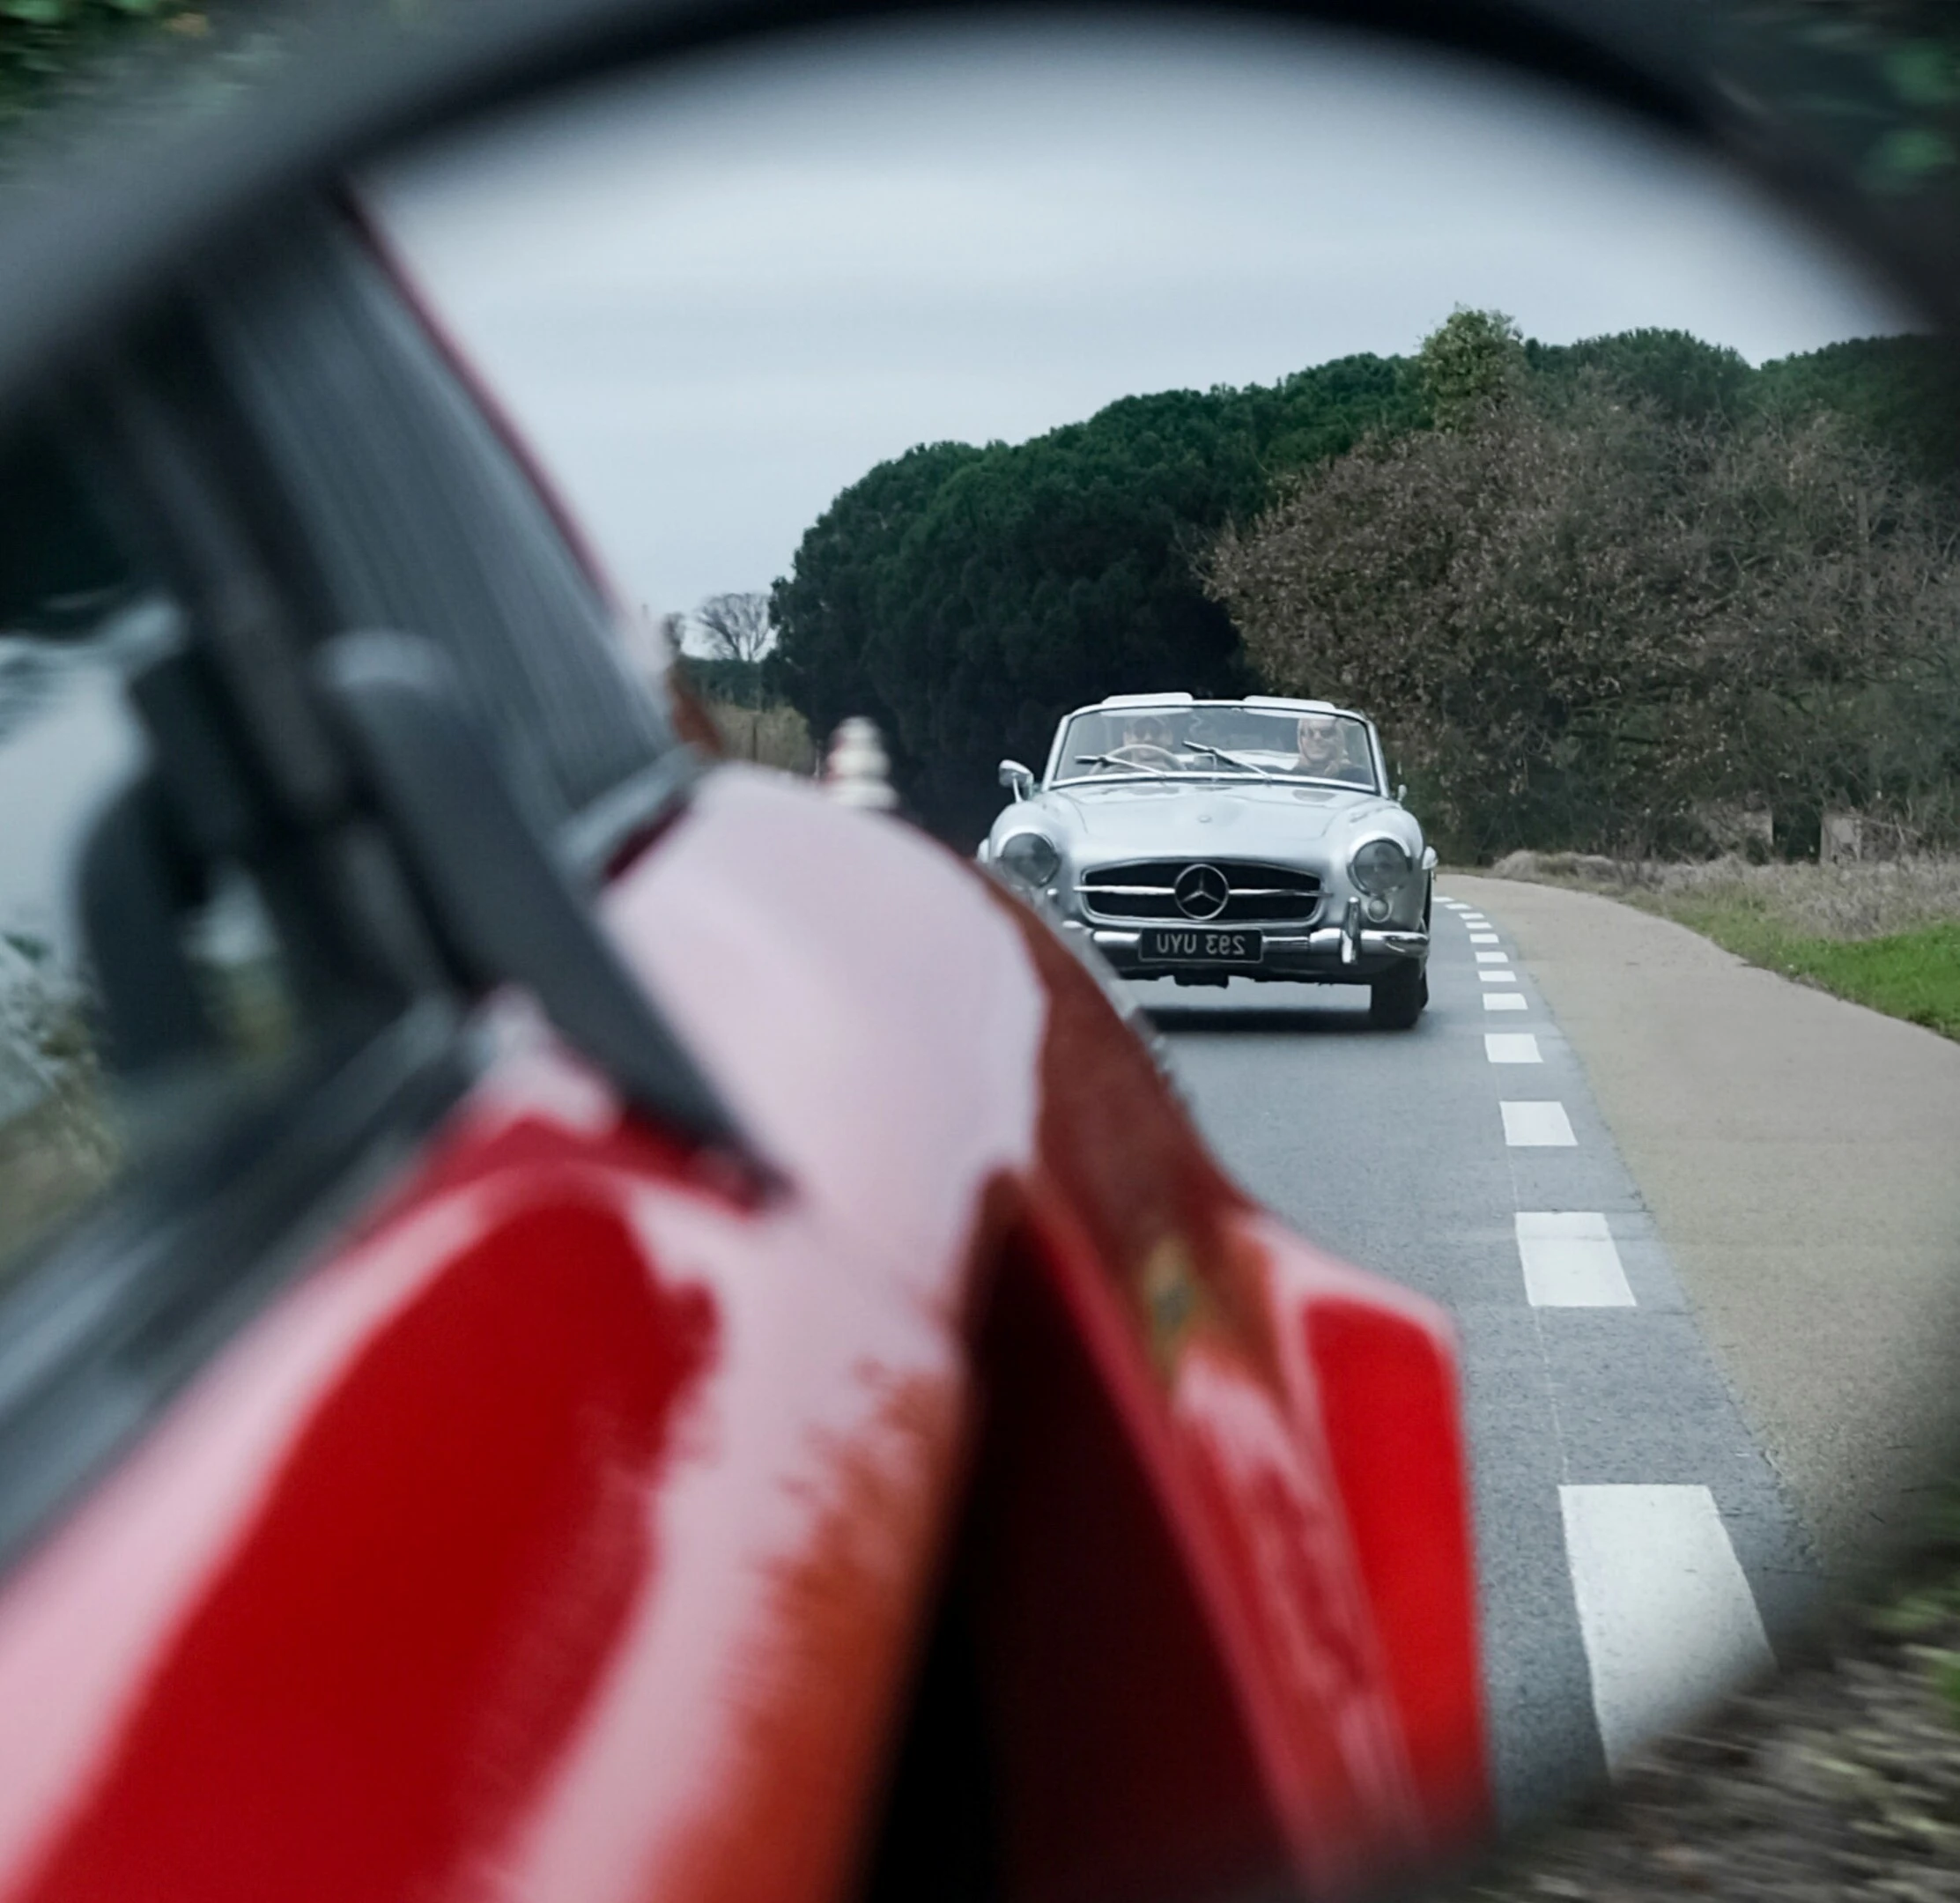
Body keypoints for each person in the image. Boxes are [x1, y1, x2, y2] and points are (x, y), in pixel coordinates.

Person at [1295, 713, 1362, 781]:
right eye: (1309, 733)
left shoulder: (1360, 778)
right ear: (1300, 740)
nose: (1317, 738)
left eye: (1325, 732)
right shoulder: (1291, 778)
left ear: (1339, 738)